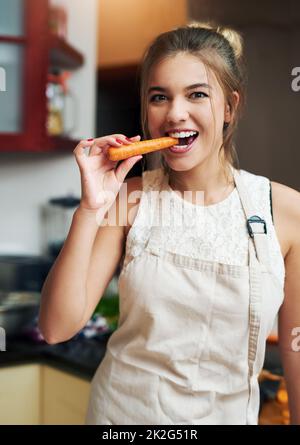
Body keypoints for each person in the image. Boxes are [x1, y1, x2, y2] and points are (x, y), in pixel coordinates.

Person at [38, 22, 300, 425]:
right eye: (159, 97)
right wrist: (90, 209)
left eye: (197, 94)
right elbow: (57, 327)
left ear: (230, 106)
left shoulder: (283, 211)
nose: (176, 114)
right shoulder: (130, 198)